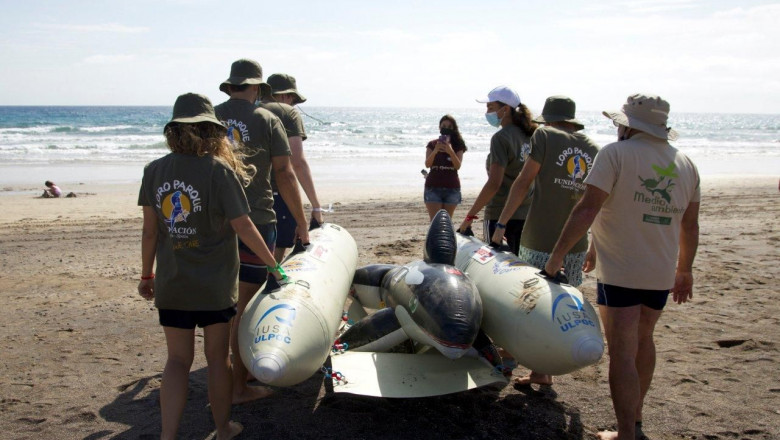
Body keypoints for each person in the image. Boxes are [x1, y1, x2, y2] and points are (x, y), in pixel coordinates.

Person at [542, 93, 700, 440]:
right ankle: (637, 421)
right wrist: (685, 270)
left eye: (618, 124)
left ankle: (626, 433)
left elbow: (587, 208)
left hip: (623, 273)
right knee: (644, 340)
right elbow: (688, 225)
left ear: (627, 127)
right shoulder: (686, 163)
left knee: (623, 352)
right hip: (660, 272)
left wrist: (555, 259)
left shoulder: (615, 155)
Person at [137, 93, 286, 440]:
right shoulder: (219, 171)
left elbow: (149, 232)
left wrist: (147, 275)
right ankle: (223, 428)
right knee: (217, 360)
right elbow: (245, 227)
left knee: (176, 362)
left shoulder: (154, 170)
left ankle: (167, 436)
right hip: (215, 287)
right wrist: (273, 265)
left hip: (173, 284)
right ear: (212, 132)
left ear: (173, 131)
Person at [214, 59, 309, 404]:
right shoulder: (268, 118)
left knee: (219, 308)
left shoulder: (209, 117)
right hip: (256, 221)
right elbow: (285, 173)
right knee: (246, 309)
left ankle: (226, 379)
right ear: (256, 88)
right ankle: (239, 386)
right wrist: (301, 220)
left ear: (230, 86)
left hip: (214, 226)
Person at [489, 96, 600, 386]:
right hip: (575, 243)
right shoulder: (592, 147)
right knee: (558, 306)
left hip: (539, 236)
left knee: (527, 302)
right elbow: (596, 202)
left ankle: (516, 359)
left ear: (548, 119)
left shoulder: (544, 135)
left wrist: (501, 223)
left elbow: (523, 182)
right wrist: (595, 245)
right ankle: (542, 371)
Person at [458, 86, 537, 253]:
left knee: (499, 267)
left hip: (499, 213)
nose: (487, 112)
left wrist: (469, 216)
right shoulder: (531, 135)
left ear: (505, 109)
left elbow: (494, 184)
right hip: (527, 215)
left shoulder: (501, 138)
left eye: (490, 107)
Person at [260, 73, 324, 261]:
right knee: (275, 251)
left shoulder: (249, 111)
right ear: (285, 95)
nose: (294, 105)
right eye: (294, 100)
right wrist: (316, 206)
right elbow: (297, 162)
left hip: (243, 193)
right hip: (277, 193)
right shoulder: (288, 113)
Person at [423, 115, 467, 220]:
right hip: (433, 186)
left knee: (447, 221)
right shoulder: (432, 144)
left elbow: (458, 166)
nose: (446, 128)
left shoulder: (458, 145)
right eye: (443, 125)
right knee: (435, 222)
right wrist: (435, 150)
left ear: (453, 128)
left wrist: (450, 151)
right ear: (439, 127)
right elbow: (427, 164)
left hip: (452, 187)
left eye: (449, 126)